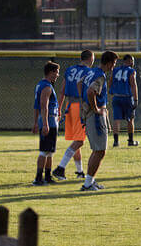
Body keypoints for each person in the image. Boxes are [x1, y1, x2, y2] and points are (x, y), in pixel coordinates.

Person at [54, 49, 95, 180]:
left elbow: (62, 91)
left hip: (69, 106)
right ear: (89, 58)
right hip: (80, 107)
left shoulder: (70, 69)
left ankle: (79, 171)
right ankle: (60, 168)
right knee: (79, 141)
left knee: (76, 140)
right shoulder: (89, 72)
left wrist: (59, 108)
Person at [79, 51, 117, 192]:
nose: (114, 66)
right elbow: (90, 92)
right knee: (100, 150)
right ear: (109, 63)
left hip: (89, 114)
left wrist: (84, 106)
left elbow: (79, 83)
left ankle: (90, 181)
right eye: (113, 63)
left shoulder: (91, 71)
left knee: (97, 150)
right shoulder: (100, 75)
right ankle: (88, 184)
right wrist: (95, 109)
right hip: (95, 116)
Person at [31, 61, 60, 185]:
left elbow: (36, 106)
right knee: (44, 151)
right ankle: (38, 178)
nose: (58, 75)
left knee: (50, 151)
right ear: (51, 72)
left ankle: (47, 176)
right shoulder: (47, 86)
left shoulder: (41, 84)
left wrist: (36, 122)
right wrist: (46, 123)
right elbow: (43, 106)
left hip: (48, 120)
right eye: (57, 72)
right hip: (49, 120)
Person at [110, 54, 139, 147]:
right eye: (132, 60)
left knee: (116, 119)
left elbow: (110, 81)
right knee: (130, 120)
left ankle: (116, 142)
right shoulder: (131, 71)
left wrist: (112, 91)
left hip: (116, 97)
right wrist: (136, 99)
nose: (133, 62)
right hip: (127, 97)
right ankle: (130, 141)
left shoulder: (115, 70)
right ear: (129, 60)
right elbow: (133, 84)